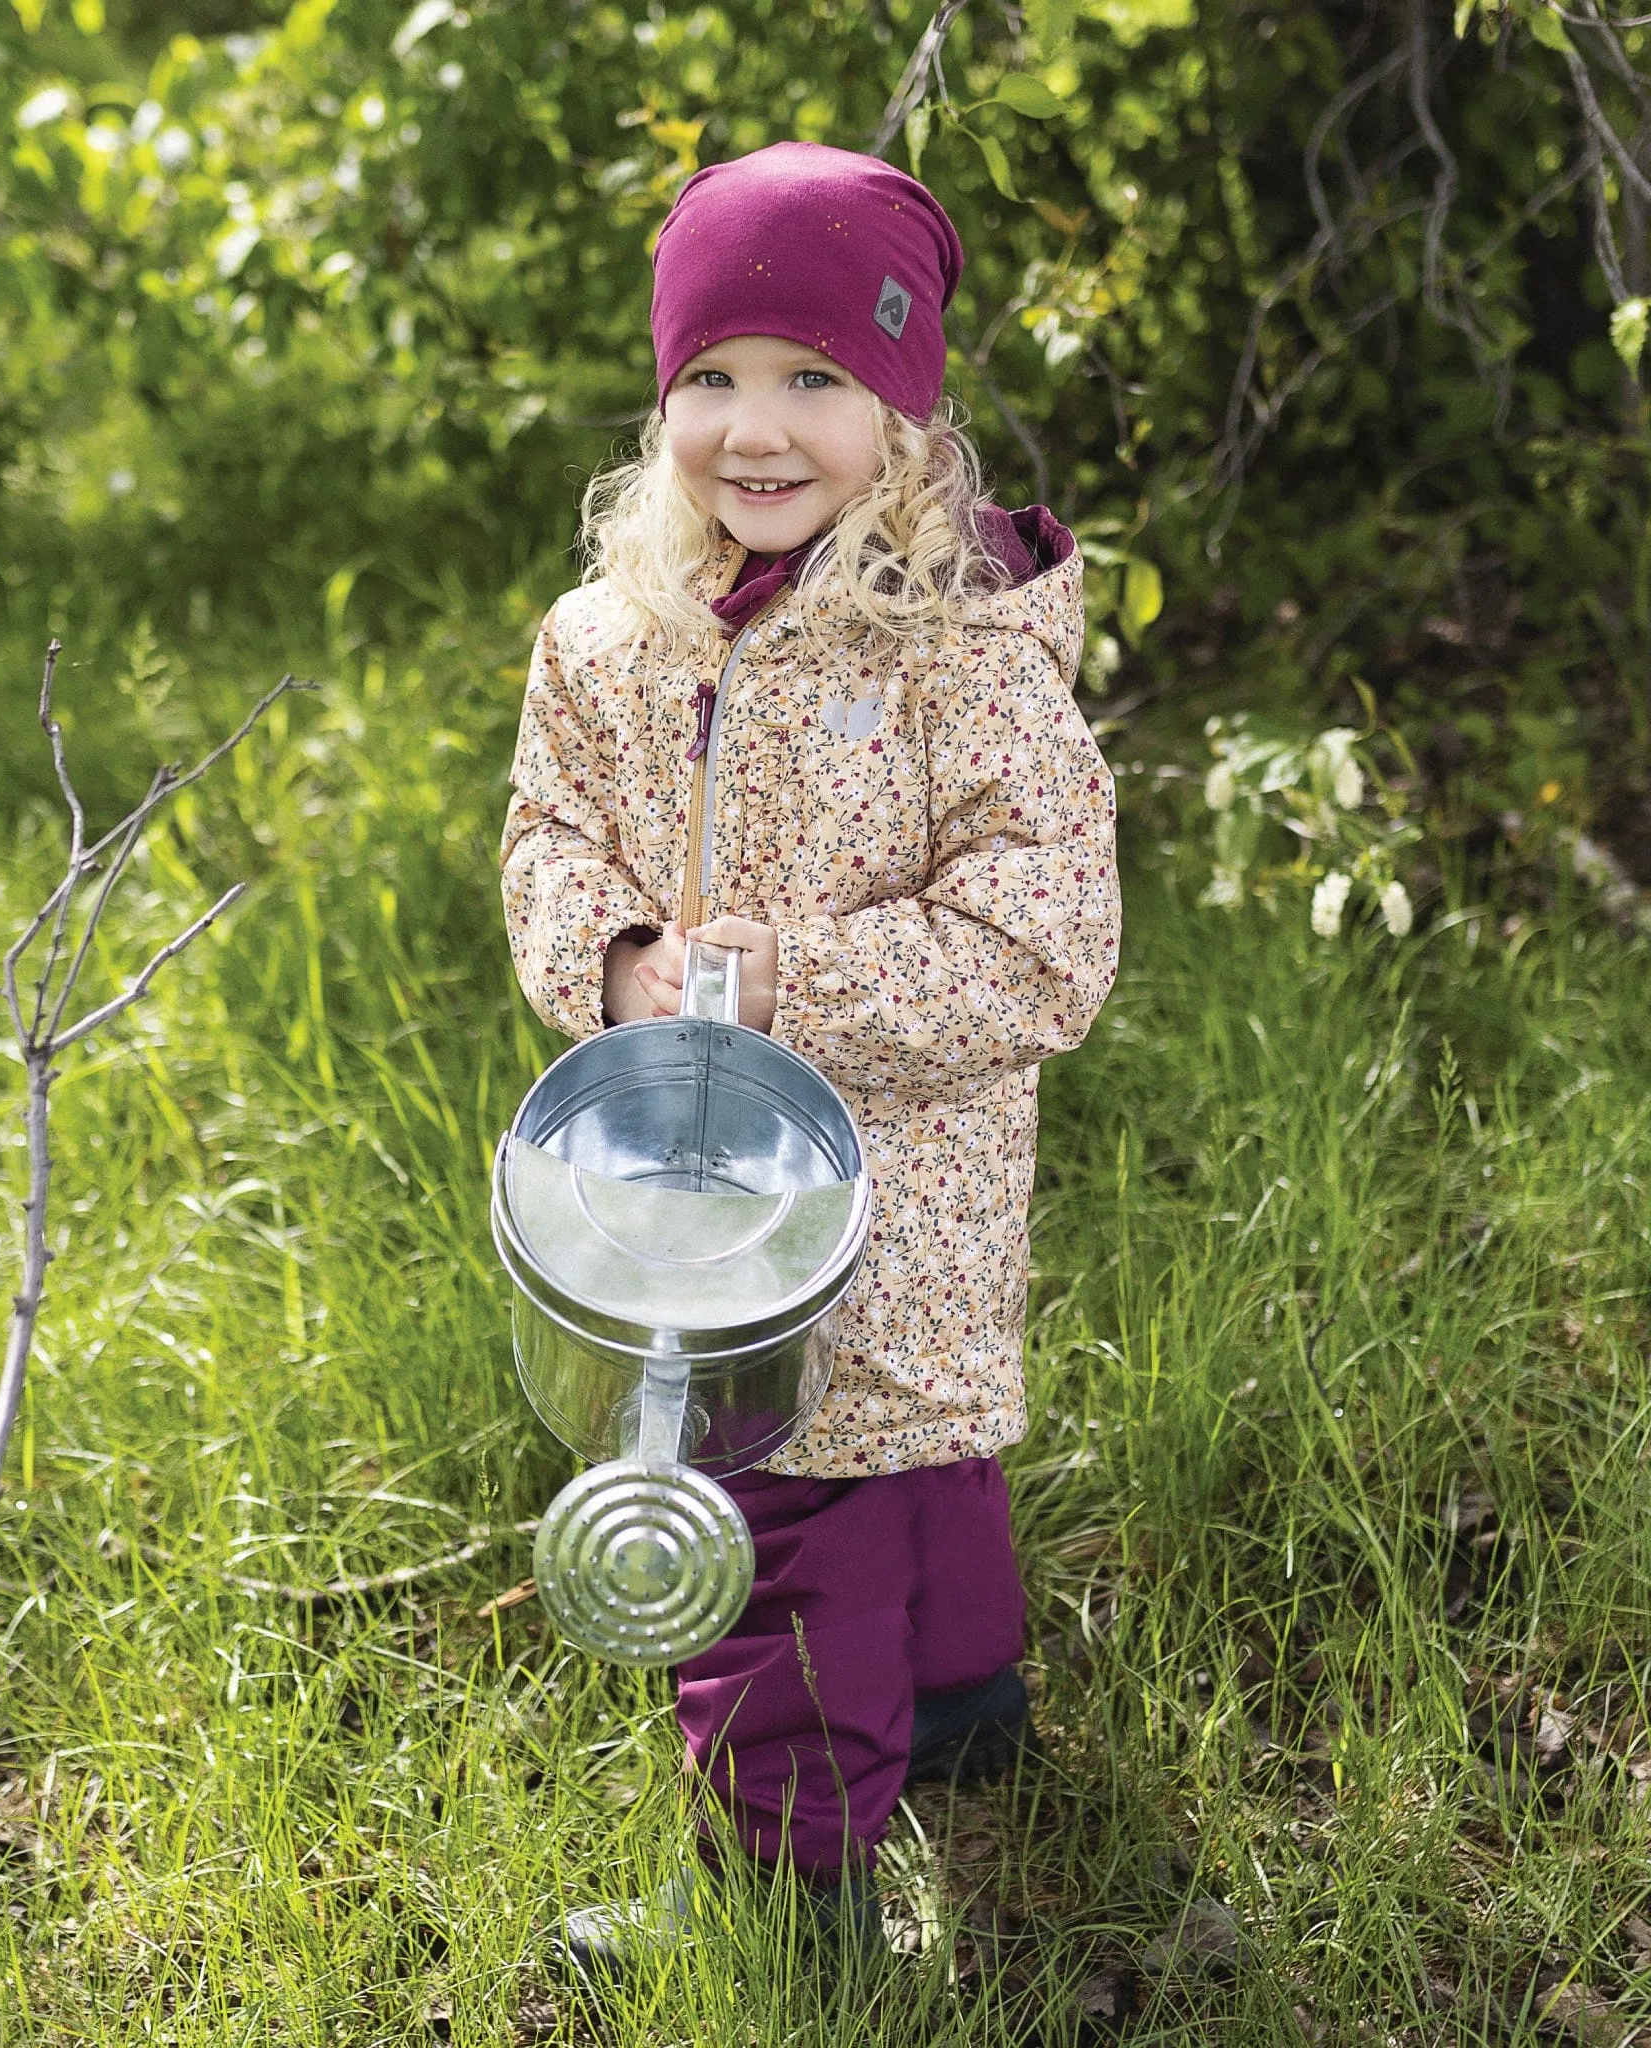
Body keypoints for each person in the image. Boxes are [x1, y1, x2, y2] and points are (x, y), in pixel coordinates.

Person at [499, 139, 1122, 1974]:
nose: (754, 430)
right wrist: (609, 960)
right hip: (688, 1183)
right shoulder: (611, 637)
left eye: (817, 380)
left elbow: (1045, 948)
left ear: (909, 410)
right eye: (711, 377)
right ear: (662, 391)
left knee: (787, 1507)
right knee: (890, 1465)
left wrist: (795, 987)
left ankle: (790, 1902)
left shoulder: (966, 651)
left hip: (899, 1184)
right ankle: (956, 1706)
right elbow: (551, 834)